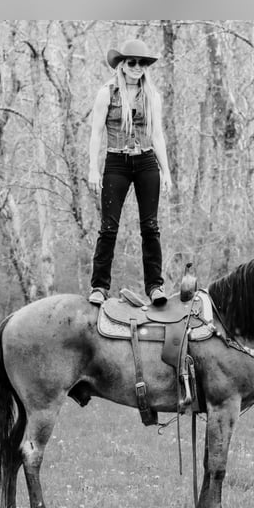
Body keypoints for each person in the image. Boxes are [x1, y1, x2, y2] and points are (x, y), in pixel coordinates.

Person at [87, 39, 172, 307]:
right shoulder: (107, 93)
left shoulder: (152, 96)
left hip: (146, 161)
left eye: (143, 63)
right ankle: (100, 287)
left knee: (150, 227)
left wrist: (166, 171)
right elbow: (96, 132)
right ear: (122, 65)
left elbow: (157, 135)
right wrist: (93, 168)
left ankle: (155, 287)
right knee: (108, 227)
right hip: (116, 161)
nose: (138, 67)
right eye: (132, 62)